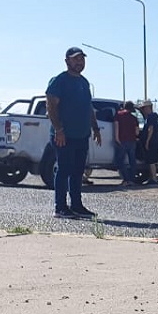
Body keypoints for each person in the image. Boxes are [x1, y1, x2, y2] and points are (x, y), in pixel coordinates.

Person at [46, 47, 101, 219]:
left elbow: (89, 107)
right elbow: (51, 106)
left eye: (82, 59)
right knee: (64, 170)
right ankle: (60, 207)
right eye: (76, 59)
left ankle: (76, 205)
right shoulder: (59, 81)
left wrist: (96, 128)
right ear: (67, 61)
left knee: (78, 171)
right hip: (64, 135)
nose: (80, 62)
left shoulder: (84, 83)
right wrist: (59, 130)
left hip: (81, 135)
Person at [113, 101, 140, 184]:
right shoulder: (134, 118)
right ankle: (132, 179)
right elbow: (137, 132)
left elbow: (116, 127)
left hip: (122, 140)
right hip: (132, 141)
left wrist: (117, 139)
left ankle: (126, 179)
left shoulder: (118, 115)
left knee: (119, 161)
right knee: (132, 161)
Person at [137, 99, 158, 185]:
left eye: (144, 108)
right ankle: (151, 178)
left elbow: (150, 129)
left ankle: (154, 179)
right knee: (150, 161)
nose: (143, 110)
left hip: (152, 142)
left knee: (152, 161)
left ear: (149, 107)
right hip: (153, 141)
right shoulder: (150, 117)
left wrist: (147, 141)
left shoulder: (152, 116)